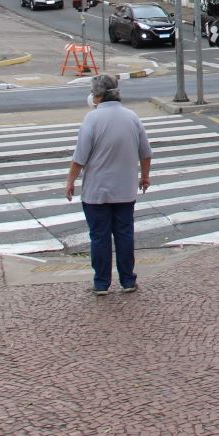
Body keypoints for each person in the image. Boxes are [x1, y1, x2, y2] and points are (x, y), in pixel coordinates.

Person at [65, 74, 152, 296]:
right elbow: (145, 152)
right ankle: (128, 280)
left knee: (99, 237)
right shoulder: (132, 117)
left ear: (99, 95)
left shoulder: (92, 119)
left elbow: (79, 157)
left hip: (97, 192)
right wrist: (145, 177)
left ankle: (101, 283)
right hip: (125, 191)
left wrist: (70, 181)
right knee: (124, 235)